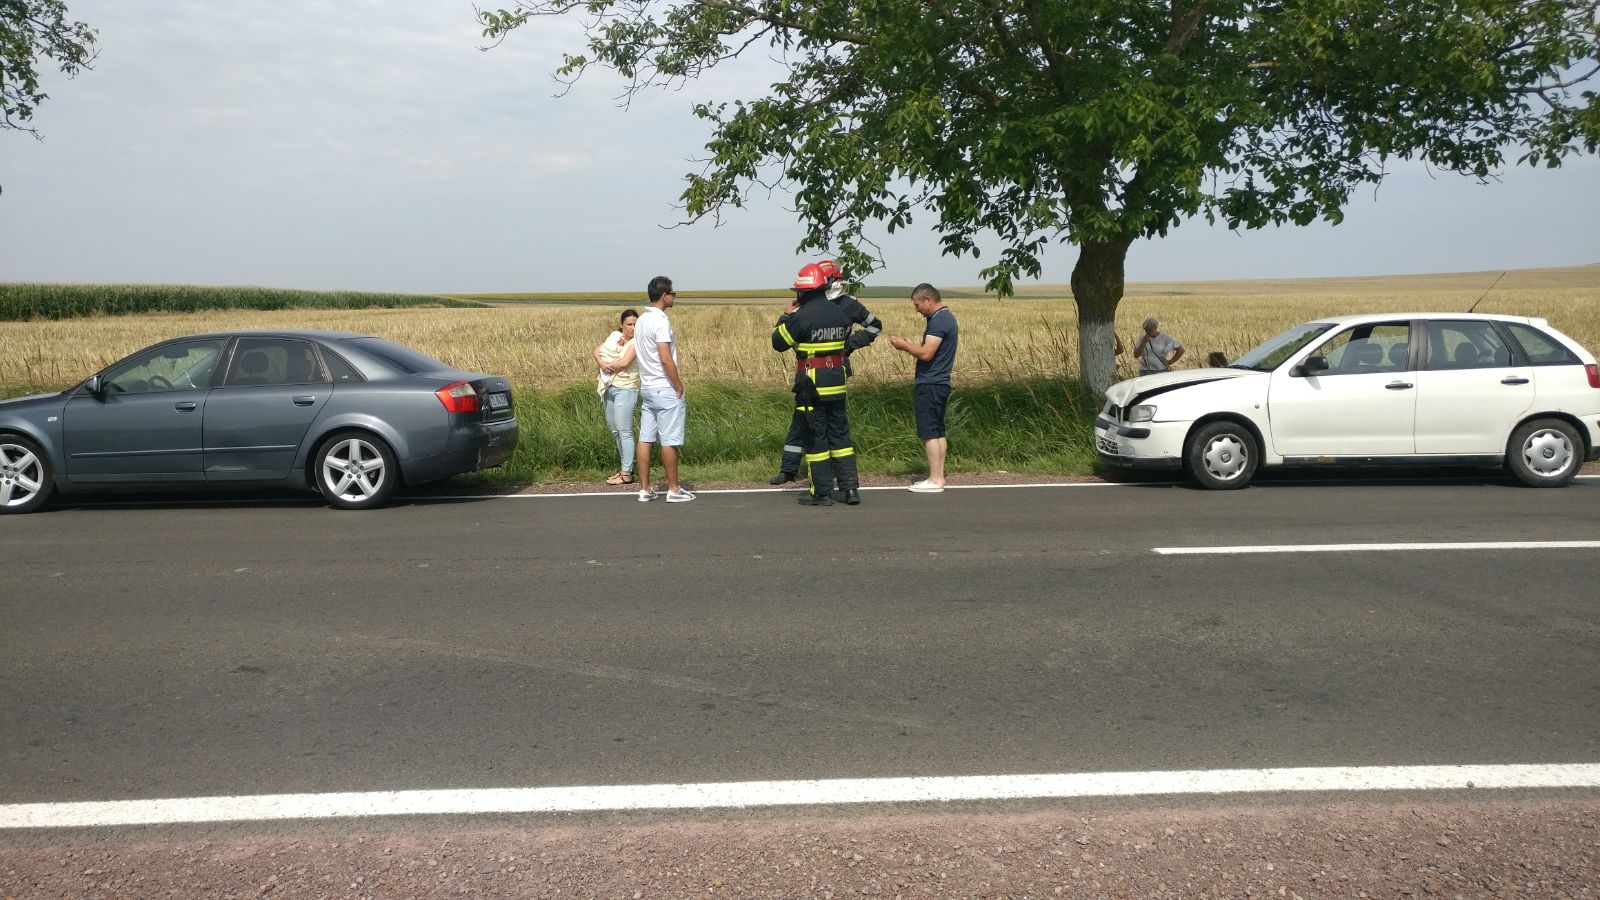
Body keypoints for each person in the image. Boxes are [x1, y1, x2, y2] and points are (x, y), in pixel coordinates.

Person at [770, 258, 881, 486]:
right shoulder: (814, 305)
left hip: (828, 371)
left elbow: (875, 325)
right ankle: (789, 469)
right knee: (805, 422)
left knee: (820, 427)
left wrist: (849, 345)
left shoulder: (846, 305)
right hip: (813, 371)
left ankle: (822, 481)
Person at [888, 283, 958, 493]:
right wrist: (912, 344)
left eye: (917, 304)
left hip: (931, 383)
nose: (917, 309)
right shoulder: (944, 318)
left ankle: (935, 479)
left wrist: (904, 346)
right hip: (939, 382)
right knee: (937, 431)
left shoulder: (939, 321)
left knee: (929, 432)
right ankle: (939, 477)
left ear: (928, 299)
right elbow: (929, 350)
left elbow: (926, 354)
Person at [633, 276, 694, 503]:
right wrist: (678, 385)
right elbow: (666, 358)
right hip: (664, 386)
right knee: (669, 440)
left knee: (645, 438)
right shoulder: (660, 321)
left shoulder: (641, 320)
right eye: (672, 293)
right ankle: (674, 490)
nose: (674, 296)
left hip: (647, 386)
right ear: (664, 295)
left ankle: (645, 489)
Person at [594, 309, 640, 485]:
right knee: (615, 431)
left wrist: (607, 364)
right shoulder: (615, 338)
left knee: (625, 431)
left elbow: (624, 362)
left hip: (625, 389)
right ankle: (624, 468)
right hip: (609, 387)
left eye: (635, 324)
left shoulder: (637, 342)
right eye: (629, 324)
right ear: (621, 325)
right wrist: (601, 362)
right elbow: (597, 350)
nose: (632, 328)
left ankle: (627, 473)